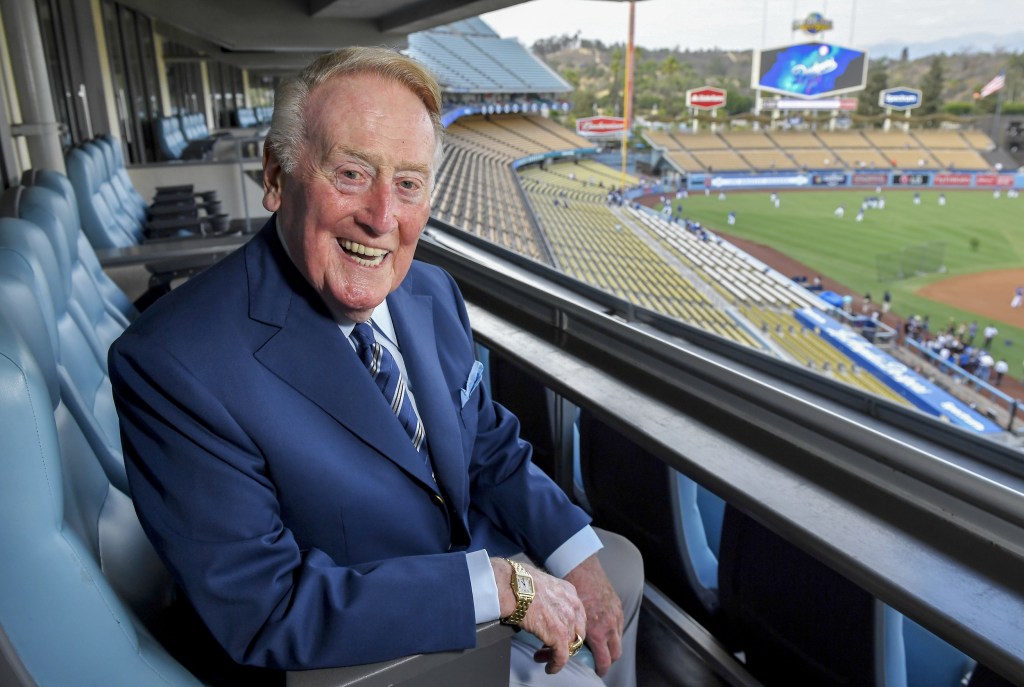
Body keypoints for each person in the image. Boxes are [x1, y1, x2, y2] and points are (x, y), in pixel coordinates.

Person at [109, 47, 641, 687]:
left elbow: (486, 444)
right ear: (276, 177)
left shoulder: (432, 292)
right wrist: (504, 587)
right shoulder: (173, 362)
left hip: (480, 600)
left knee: (617, 586)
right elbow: (265, 606)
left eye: (409, 183)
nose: (382, 218)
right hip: (375, 663)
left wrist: (574, 555)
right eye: (352, 173)